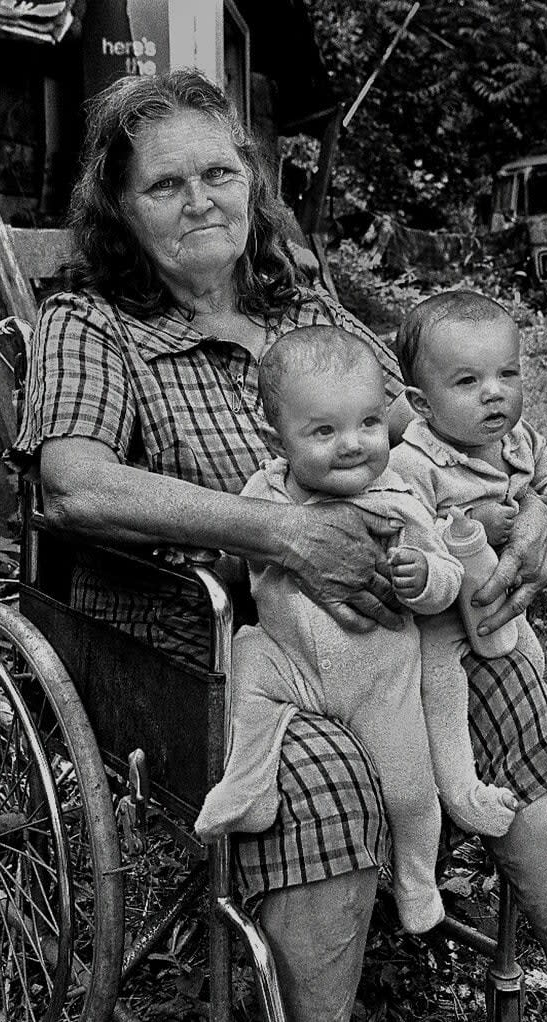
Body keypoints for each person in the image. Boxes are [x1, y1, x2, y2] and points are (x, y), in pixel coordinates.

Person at [11, 67, 547, 1022]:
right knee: (323, 773)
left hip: (388, 624)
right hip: (203, 650)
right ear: (120, 207)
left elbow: (430, 423)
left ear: (251, 181)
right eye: (164, 184)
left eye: (218, 174)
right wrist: (288, 532)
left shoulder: (302, 306)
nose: (200, 202)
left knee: (507, 680)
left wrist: (531, 510)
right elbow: (72, 486)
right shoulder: (92, 326)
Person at [196, 325, 473, 934]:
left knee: (410, 788)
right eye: (323, 431)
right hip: (288, 660)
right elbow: (235, 556)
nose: (353, 445)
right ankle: (249, 785)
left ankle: (416, 878)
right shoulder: (263, 493)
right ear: (277, 438)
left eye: (370, 423)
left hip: (378, 677)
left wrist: (422, 574)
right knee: (247, 664)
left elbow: (449, 581)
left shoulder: (396, 497)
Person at [388, 290, 547, 855]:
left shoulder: (518, 440)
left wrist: (540, 512)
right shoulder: (412, 463)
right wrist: (468, 523)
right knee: (441, 687)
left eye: (507, 373)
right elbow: (408, 535)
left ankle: (533, 760)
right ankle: (459, 787)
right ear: (422, 405)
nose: (494, 392)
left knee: (529, 669)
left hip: (502, 608)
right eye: (468, 382)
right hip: (441, 622)